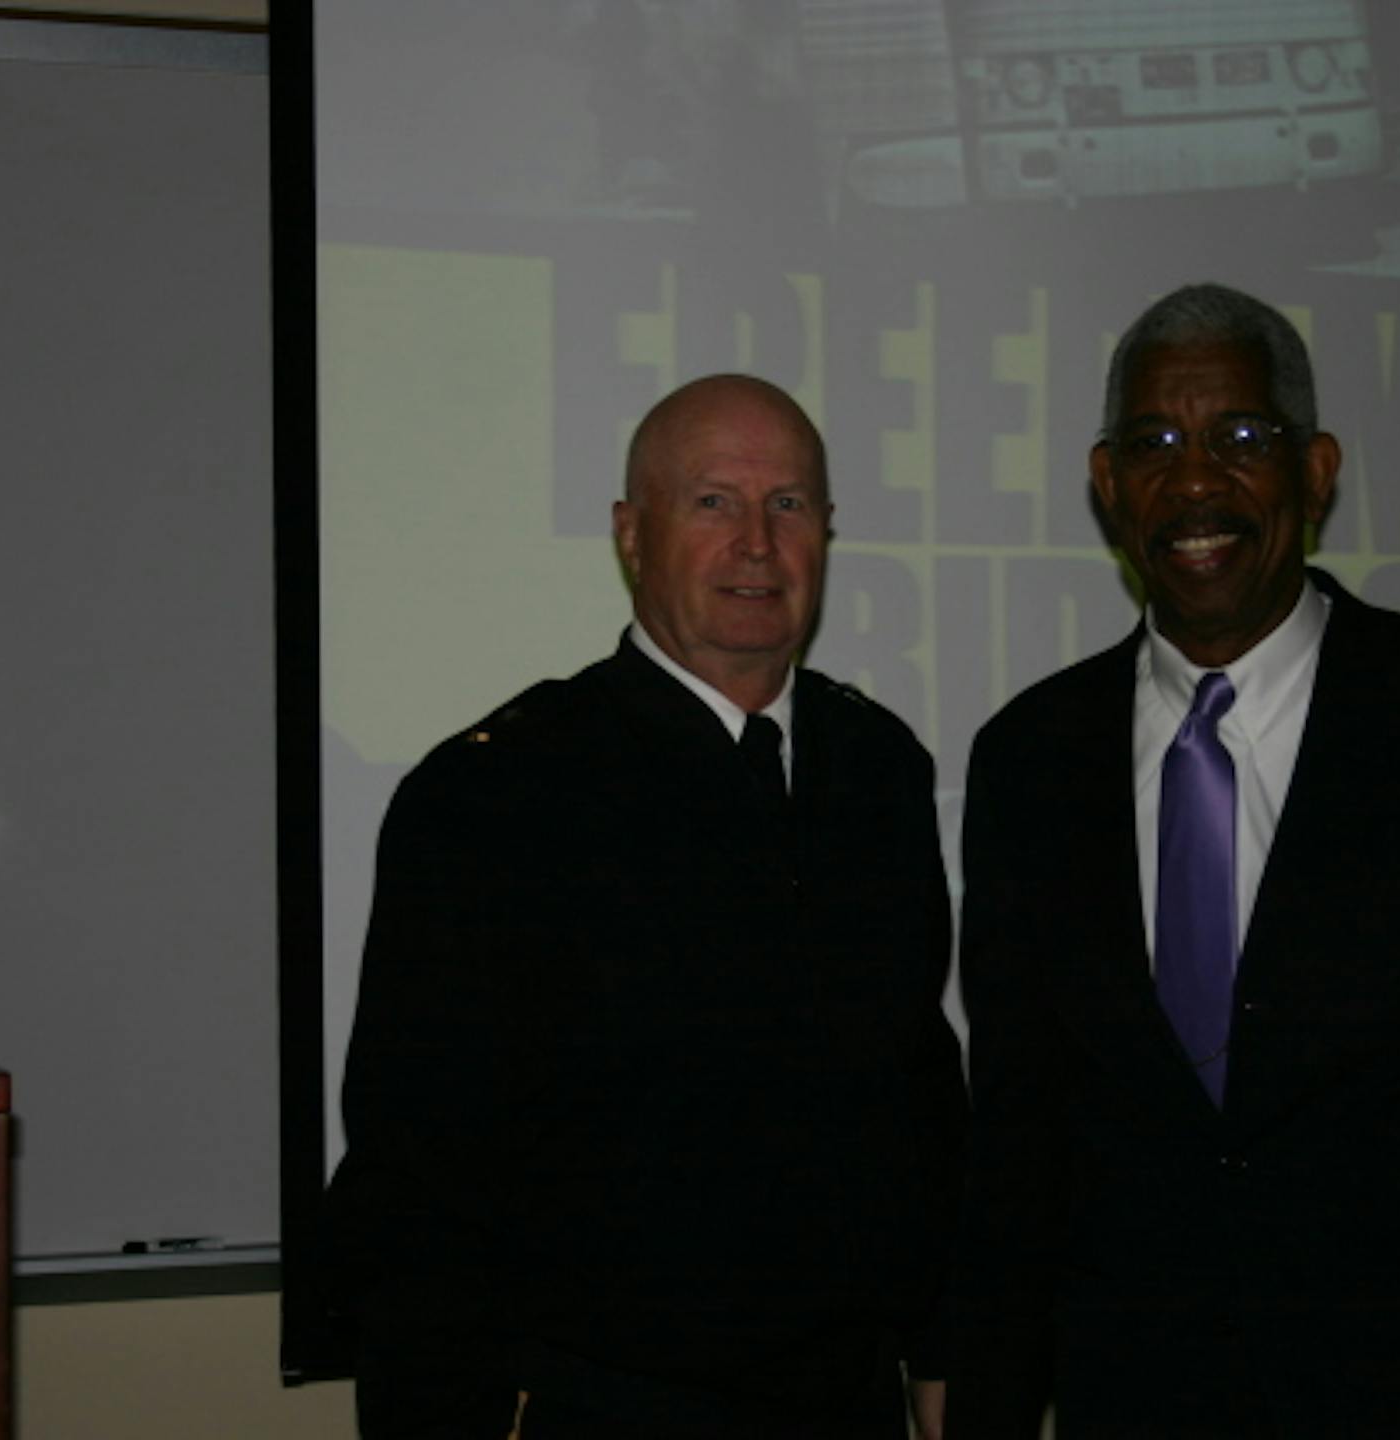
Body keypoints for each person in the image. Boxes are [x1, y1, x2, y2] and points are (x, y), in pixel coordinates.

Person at [946, 285, 1400, 1438]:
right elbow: (1019, 1149)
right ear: (1107, 484)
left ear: (1317, 469)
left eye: (1240, 439)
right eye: (1154, 445)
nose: (1194, 483)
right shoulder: (1028, 762)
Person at [328, 375, 964, 1439]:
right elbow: (416, 1179)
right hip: (606, 1407)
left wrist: (947, 1356)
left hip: (849, 1406)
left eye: (791, 505)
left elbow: (919, 1097)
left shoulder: (879, 768)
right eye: (713, 502)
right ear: (632, 535)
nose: (758, 544)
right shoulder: (497, 795)